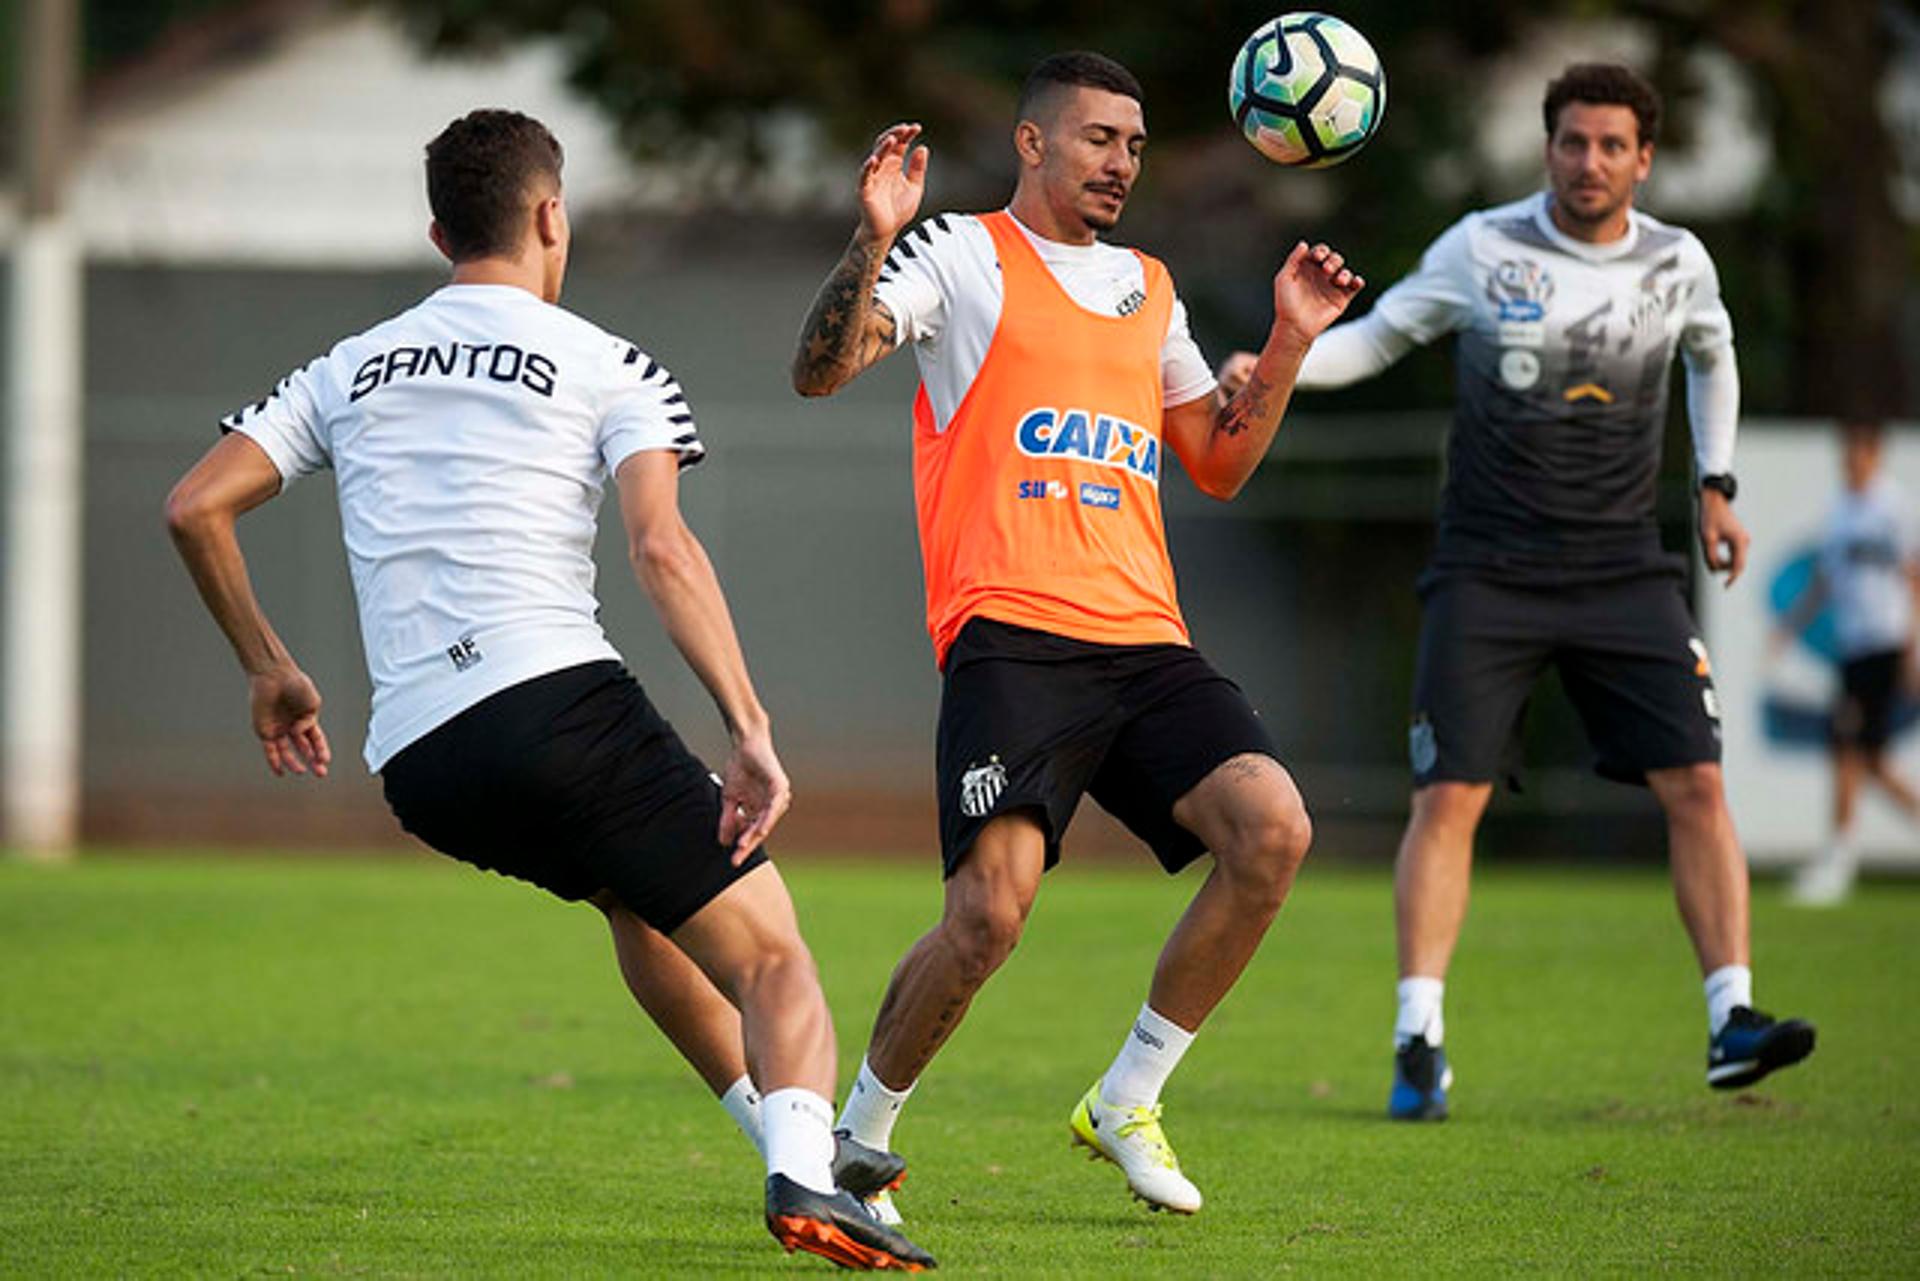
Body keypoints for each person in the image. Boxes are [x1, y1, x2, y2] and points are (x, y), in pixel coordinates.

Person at [163, 109, 933, 1272]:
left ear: (437, 232)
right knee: (776, 958)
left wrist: (271, 668)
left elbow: (194, 505)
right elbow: (662, 551)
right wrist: (751, 727)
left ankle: (793, 1140)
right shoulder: (608, 363)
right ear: (551, 215)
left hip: (421, 762)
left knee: (640, 900)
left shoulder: (350, 365)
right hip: (555, 704)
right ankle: (806, 1178)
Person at [788, 51, 1361, 1219]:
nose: (1121, 164)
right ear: (1035, 142)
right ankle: (857, 1142)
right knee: (989, 915)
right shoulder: (958, 254)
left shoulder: (1149, 287)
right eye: (1099, 139)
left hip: (1146, 640)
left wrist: (1292, 339)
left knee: (1272, 830)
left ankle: (1128, 1096)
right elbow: (819, 370)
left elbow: (1219, 461)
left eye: (1136, 146)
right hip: (1012, 637)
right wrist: (872, 237)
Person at [1290, 63, 1816, 1119]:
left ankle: (1730, 1019)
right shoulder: (1481, 248)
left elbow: (1712, 355)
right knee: (1451, 800)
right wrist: (1273, 358)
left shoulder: (1679, 262)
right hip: (1488, 570)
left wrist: (1715, 485)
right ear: (1549, 147)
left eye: (1612, 145)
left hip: (1625, 569)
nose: (1590, 162)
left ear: (1644, 159)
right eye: (1573, 142)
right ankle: (1419, 1041)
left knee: (1700, 788)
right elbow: (1375, 343)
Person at [1773, 420, 1920, 905]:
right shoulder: (1839, 510)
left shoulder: (1891, 508)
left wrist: (1914, 649)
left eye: (1859, 452)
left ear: (1875, 454)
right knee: (1869, 759)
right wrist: (1788, 627)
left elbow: (1912, 579)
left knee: (1847, 749)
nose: (1851, 462)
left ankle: (1838, 860)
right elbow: (1825, 582)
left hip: (1885, 641)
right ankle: (1838, 856)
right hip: (1852, 646)